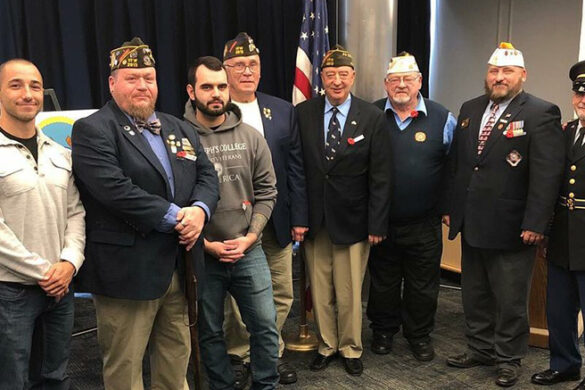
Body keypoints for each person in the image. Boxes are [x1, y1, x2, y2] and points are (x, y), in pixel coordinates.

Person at [71, 38, 219, 390]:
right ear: (112, 83)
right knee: (125, 366)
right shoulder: (93, 129)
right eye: (132, 77)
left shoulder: (178, 127)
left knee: (175, 357)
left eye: (149, 78)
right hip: (128, 271)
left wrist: (199, 211)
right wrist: (177, 217)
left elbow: (207, 176)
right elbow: (114, 190)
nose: (142, 86)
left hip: (181, 268)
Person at [444, 42, 565, 387]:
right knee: (474, 293)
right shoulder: (469, 108)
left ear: (522, 75)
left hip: (514, 227)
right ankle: (480, 348)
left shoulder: (542, 112)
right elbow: (460, 165)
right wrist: (453, 210)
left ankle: (509, 357)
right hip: (472, 222)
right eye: (494, 71)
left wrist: (535, 222)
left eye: (507, 72)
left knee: (511, 299)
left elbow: (546, 174)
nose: (499, 77)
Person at [184, 56, 279, 390]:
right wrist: (203, 244)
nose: (216, 93)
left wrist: (251, 237)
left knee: (266, 326)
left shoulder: (251, 137)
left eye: (222, 86)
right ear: (191, 91)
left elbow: (268, 191)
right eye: (207, 86)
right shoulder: (177, 139)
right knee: (209, 330)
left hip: (247, 250)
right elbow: (174, 200)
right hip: (202, 253)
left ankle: (265, 384)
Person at [295, 45, 392, 376]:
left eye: (343, 74)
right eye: (330, 75)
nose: (337, 81)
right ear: (321, 78)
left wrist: (377, 223)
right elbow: (299, 170)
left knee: (350, 290)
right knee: (320, 290)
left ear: (353, 77)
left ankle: (351, 347)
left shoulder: (372, 116)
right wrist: (299, 218)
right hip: (315, 220)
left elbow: (381, 176)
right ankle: (327, 345)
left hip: (354, 221)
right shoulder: (304, 113)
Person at [219, 32, 308, 388]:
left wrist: (300, 217)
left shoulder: (283, 109)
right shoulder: (213, 109)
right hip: (234, 224)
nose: (246, 71)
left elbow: (296, 168)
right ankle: (243, 354)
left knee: (282, 290)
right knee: (241, 299)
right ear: (224, 70)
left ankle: (267, 352)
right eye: (238, 65)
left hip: (278, 220)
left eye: (252, 64)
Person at [0, 58, 85, 390]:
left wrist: (69, 264)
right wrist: (43, 272)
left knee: (54, 378)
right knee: (11, 381)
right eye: (16, 85)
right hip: (10, 294)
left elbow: (75, 213)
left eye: (35, 86)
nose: (28, 93)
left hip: (60, 291)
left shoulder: (58, 153)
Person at [367, 52, 456, 361]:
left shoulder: (443, 117)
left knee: (423, 285)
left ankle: (418, 335)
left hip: (425, 222)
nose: (401, 85)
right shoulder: (371, 114)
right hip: (383, 222)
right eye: (394, 80)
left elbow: (454, 166)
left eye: (408, 79)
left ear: (419, 82)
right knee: (383, 282)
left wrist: (448, 206)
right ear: (386, 84)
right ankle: (383, 331)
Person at [531, 60, 585, 388]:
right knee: (559, 309)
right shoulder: (566, 133)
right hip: (564, 234)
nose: (583, 101)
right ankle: (565, 364)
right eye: (579, 94)